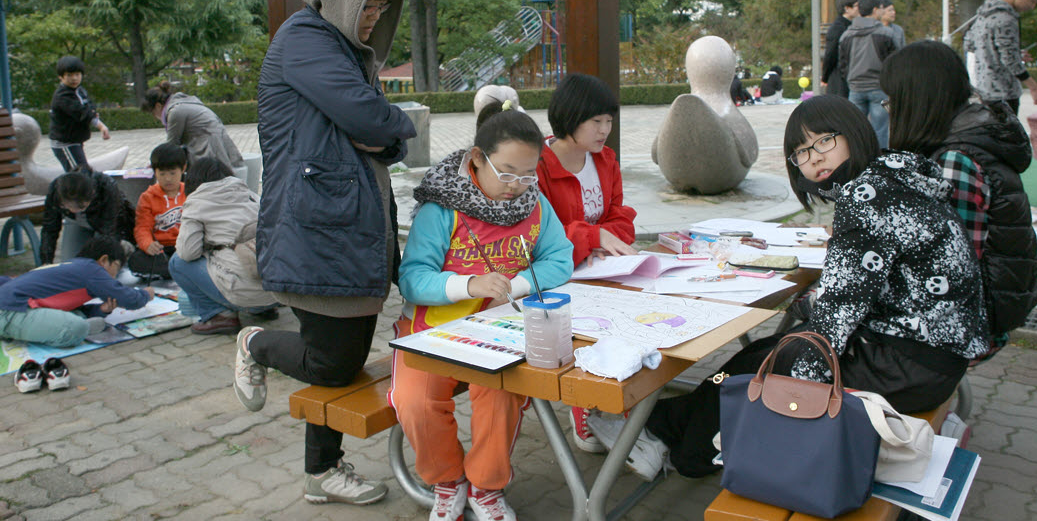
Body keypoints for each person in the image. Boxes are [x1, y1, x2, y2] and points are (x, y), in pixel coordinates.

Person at [589, 96, 988, 480]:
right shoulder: (893, 178)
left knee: (751, 370)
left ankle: (684, 449)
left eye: (824, 142)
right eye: (801, 152)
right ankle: (666, 430)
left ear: (853, 132)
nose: (814, 158)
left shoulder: (866, 198)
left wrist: (788, 391)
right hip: (930, 355)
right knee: (762, 353)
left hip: (907, 367)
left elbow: (836, 316)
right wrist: (795, 332)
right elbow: (859, 290)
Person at [232, 0, 417, 506]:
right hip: (318, 229)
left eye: (381, 10)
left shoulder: (341, 51)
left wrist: (384, 135)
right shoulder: (305, 42)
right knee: (331, 363)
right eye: (367, 5)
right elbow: (372, 118)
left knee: (342, 361)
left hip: (351, 229)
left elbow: (382, 142)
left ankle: (322, 472)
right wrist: (389, 128)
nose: (373, 18)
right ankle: (256, 342)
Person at [390, 102, 574, 521]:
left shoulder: (535, 206)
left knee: (501, 397)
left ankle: (487, 486)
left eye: (528, 175)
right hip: (434, 332)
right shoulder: (442, 209)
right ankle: (447, 479)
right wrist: (467, 286)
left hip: (499, 331)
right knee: (415, 401)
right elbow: (412, 278)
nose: (516, 186)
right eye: (506, 173)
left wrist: (519, 284)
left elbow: (559, 259)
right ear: (477, 158)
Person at [881, 41, 1037, 355]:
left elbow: (948, 275)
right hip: (969, 314)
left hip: (964, 327)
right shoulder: (969, 139)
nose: (889, 110)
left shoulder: (954, 163)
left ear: (916, 100)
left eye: (892, 101)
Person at [536, 73, 638, 453]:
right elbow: (540, 233)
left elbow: (619, 215)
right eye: (596, 121)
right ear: (570, 116)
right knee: (586, 330)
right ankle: (585, 405)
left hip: (600, 269)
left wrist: (606, 238)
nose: (604, 130)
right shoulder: (540, 165)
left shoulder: (605, 160)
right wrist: (593, 238)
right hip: (556, 278)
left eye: (608, 121)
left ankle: (621, 397)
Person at [169, 158, 278, 336]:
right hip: (279, 293)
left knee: (177, 263)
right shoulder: (251, 195)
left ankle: (220, 316)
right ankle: (263, 310)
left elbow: (187, 253)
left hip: (245, 295)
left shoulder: (196, 203)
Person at [0, 236, 152, 349]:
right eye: (116, 267)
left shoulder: (75, 267)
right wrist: (146, 294)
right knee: (75, 328)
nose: (115, 277)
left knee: (75, 315)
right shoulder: (92, 269)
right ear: (104, 260)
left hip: (15, 306)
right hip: (11, 310)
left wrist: (100, 310)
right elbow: (129, 299)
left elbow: (62, 305)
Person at [964, 0, 1037, 114]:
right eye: (1033, 0)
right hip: (1004, 91)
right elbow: (1009, 59)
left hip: (984, 90)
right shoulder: (1006, 19)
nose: (1033, 6)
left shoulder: (982, 15)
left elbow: (969, 44)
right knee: (1007, 134)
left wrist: (1014, 53)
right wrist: (1034, 88)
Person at [142, 81, 245, 173]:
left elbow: (172, 145)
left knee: (211, 181)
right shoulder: (185, 101)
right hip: (218, 140)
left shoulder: (175, 111)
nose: (155, 117)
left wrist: (156, 164)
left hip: (208, 147)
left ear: (158, 106)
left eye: (153, 113)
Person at [40, 168, 134, 266]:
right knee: (70, 264)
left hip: (105, 223)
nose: (72, 210)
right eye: (66, 206)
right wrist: (46, 261)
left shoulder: (106, 188)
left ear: (92, 194)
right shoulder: (55, 191)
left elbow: (110, 231)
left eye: (80, 207)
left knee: (101, 263)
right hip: (76, 221)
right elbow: (49, 228)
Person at [838, 0, 897, 147]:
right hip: (879, 87)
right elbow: (894, 62)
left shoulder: (846, 35)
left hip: (855, 88)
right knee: (880, 130)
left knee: (855, 130)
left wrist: (850, 80)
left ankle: (857, 160)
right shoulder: (886, 33)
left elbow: (843, 63)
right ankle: (880, 163)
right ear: (875, 10)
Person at [128, 143, 187, 284]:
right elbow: (142, 227)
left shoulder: (191, 192)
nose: (168, 179)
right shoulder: (148, 197)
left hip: (184, 246)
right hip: (160, 250)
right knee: (136, 261)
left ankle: (176, 269)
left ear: (183, 169)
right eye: (162, 174)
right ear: (154, 171)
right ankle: (177, 270)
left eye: (173, 173)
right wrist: (148, 244)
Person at [48, 56, 110, 171]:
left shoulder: (80, 90)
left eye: (77, 74)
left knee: (82, 173)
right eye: (69, 75)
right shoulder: (62, 96)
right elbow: (82, 113)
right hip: (64, 143)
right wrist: (101, 126)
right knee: (79, 175)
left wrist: (94, 114)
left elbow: (90, 107)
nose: (74, 78)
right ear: (61, 77)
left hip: (75, 140)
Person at [821, 0, 859, 98]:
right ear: (847, 8)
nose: (859, 9)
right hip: (839, 76)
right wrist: (825, 76)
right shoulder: (838, 27)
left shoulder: (853, 25)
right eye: (856, 6)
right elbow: (830, 53)